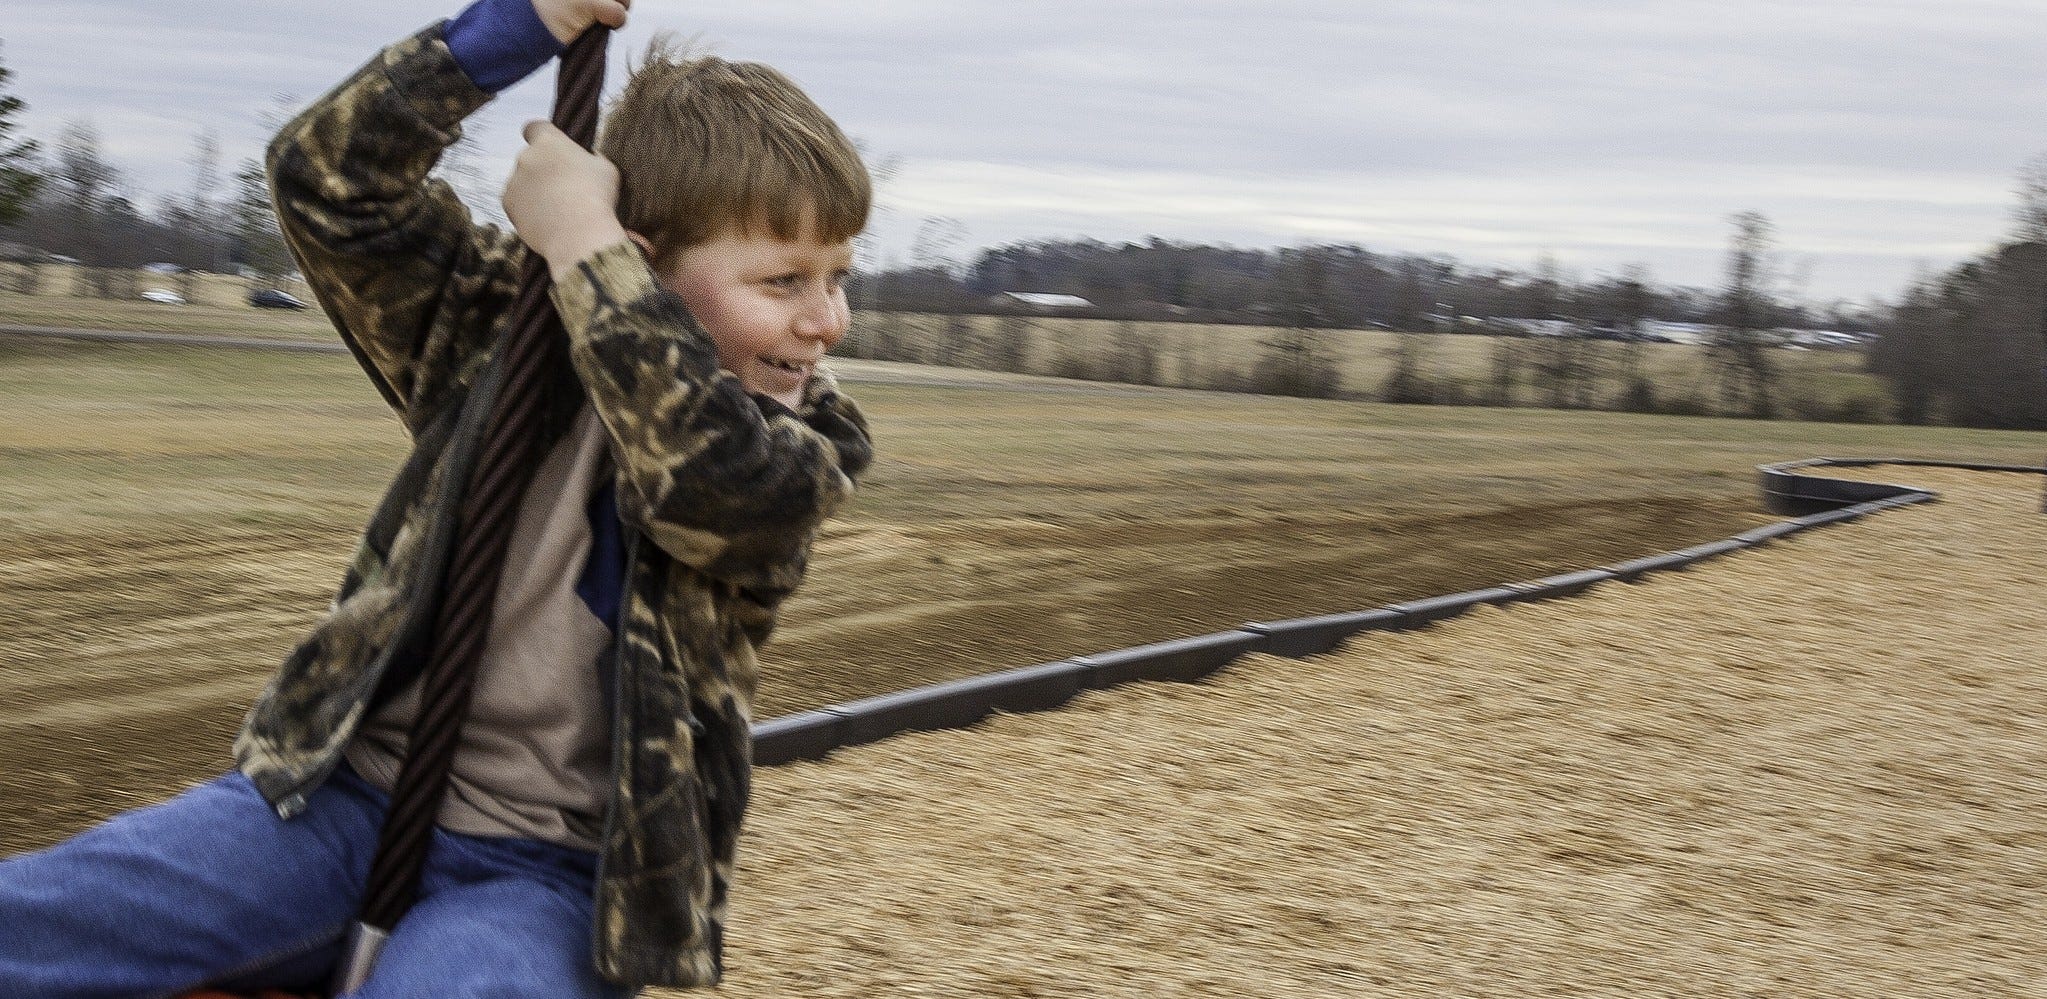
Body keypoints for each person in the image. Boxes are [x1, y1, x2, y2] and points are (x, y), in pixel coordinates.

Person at [0, 0, 874, 994]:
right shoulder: (494, 335)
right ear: (650, 262)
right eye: (785, 280)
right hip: (347, 800)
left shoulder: (806, 447)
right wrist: (514, 31)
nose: (828, 321)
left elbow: (704, 478)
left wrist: (585, 244)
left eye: (838, 275)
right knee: (38, 924)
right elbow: (328, 182)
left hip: (549, 871)